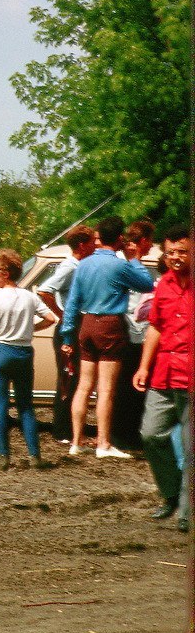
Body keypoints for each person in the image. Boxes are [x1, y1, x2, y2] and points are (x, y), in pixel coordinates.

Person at [60, 216, 155, 458]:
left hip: (87, 323)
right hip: (110, 324)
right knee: (106, 389)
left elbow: (72, 304)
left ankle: (76, 440)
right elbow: (146, 284)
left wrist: (67, 336)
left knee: (83, 386)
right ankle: (103, 443)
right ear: (120, 238)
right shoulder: (120, 265)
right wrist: (133, 259)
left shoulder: (84, 265)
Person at [132, 225, 190, 533]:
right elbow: (155, 327)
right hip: (164, 374)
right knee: (150, 434)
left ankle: (187, 512)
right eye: (171, 252)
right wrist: (143, 367)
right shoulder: (163, 285)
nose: (176, 258)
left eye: (182, 251)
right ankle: (170, 495)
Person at [0, 249, 57, 469]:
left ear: (5, 273)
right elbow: (52, 318)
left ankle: (3, 456)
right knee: (26, 406)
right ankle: (35, 456)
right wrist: (31, 329)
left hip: (2, 351)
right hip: (24, 353)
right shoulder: (29, 296)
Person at [37, 225, 97, 442]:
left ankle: (69, 429)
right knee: (67, 378)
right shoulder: (70, 267)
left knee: (76, 377)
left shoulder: (80, 266)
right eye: (92, 241)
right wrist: (61, 314)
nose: (96, 245)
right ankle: (62, 431)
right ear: (82, 245)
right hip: (67, 330)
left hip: (76, 326)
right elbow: (44, 290)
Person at [112, 220, 155, 450]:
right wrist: (135, 259)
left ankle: (129, 432)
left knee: (132, 387)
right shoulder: (128, 264)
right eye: (150, 241)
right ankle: (123, 435)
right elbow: (145, 287)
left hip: (136, 331)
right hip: (128, 330)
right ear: (144, 240)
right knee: (126, 387)